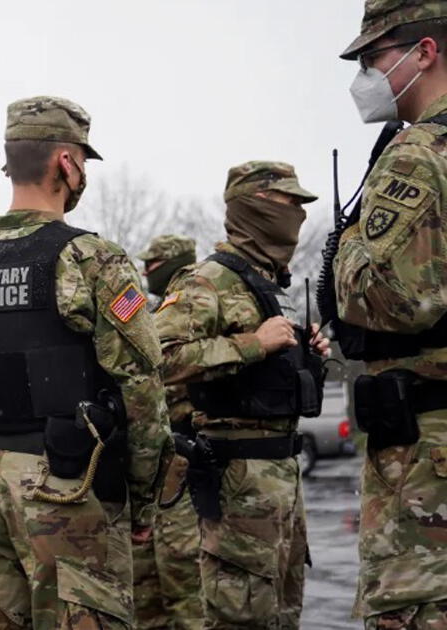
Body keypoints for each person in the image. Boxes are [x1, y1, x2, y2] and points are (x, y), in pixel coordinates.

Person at [0, 96, 170, 629]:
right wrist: (141, 500)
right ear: (66, 162)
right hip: (70, 482)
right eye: (83, 160)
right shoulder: (92, 259)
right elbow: (143, 390)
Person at [155, 161, 329, 629]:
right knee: (239, 613)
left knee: (281, 612)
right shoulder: (207, 280)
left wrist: (306, 354)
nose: (298, 213)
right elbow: (159, 357)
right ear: (254, 205)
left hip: (281, 477)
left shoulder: (273, 286)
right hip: (237, 477)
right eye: (288, 202)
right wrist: (254, 344)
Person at [337, 4, 447, 626]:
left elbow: (390, 299)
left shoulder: (415, 155)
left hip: (426, 452)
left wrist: (348, 238)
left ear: (424, 52)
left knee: (415, 609)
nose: (366, 76)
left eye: (373, 59)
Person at [132, 235, 202, 630]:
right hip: (149, 464)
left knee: (183, 580)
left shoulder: (195, 303)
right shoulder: (152, 309)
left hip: (182, 458)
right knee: (145, 588)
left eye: (153, 263)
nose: (145, 272)